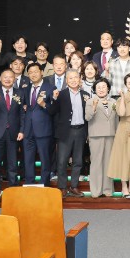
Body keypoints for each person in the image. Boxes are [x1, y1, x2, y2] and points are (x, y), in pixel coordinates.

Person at [48, 69, 87, 198]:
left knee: (78, 161)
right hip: (66, 132)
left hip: (80, 130)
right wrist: (54, 98)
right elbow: (51, 111)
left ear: (80, 79)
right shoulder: (61, 94)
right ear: (66, 80)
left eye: (76, 77)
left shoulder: (85, 95)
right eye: (70, 78)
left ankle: (74, 186)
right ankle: (62, 187)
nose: (73, 80)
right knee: (62, 161)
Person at [0, 69, 23, 198]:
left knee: (13, 163)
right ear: (0, 79)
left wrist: (21, 130)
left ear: (14, 79)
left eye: (10, 77)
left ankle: (13, 187)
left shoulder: (20, 93)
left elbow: (22, 114)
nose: (7, 79)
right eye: (5, 77)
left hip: (13, 133)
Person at [20, 63, 56, 186]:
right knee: (28, 158)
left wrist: (44, 105)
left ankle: (44, 183)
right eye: (30, 72)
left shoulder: (50, 88)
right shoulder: (25, 89)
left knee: (45, 159)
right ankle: (29, 182)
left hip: (43, 129)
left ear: (41, 72)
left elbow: (54, 109)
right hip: (28, 130)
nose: (33, 74)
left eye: (35, 71)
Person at [85, 78, 117, 198]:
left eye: (104, 87)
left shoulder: (113, 101)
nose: (101, 89)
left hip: (111, 135)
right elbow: (87, 117)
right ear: (94, 89)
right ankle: (96, 190)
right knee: (96, 163)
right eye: (98, 87)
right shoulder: (90, 101)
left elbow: (116, 119)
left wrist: (117, 134)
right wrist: (93, 107)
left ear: (108, 89)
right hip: (96, 135)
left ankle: (107, 189)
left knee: (108, 163)